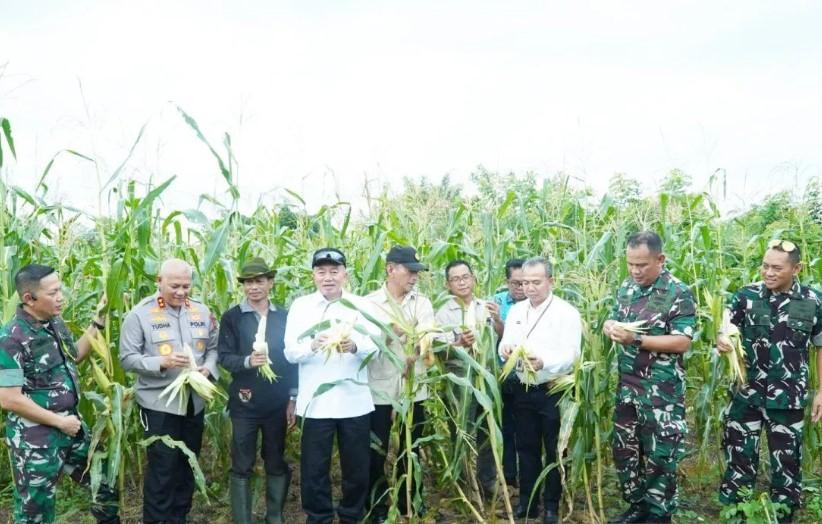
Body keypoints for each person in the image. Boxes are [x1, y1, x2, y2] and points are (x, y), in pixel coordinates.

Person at [0, 264, 120, 524]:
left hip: (72, 427)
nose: (60, 297)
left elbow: (74, 355)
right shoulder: (11, 338)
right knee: (36, 512)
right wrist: (59, 422)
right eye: (53, 293)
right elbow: (8, 398)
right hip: (37, 440)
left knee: (105, 482)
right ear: (29, 299)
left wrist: (97, 321)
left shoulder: (54, 323)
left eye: (60, 290)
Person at [716, 239, 822, 523]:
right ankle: (736, 512)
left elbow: (820, 346)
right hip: (746, 392)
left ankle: (783, 513)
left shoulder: (813, 300)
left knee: (787, 460)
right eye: (765, 266)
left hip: (787, 396)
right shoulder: (745, 296)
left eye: (777, 268)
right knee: (739, 453)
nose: (769, 272)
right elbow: (724, 330)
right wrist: (722, 339)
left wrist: (821, 390)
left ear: (796, 269)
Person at [603, 231, 696, 524]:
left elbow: (682, 341)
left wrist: (635, 340)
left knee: (660, 455)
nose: (635, 271)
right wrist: (611, 327)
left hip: (660, 391)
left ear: (660, 260)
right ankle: (637, 505)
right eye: (630, 264)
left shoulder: (677, 292)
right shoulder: (626, 289)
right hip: (628, 388)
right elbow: (621, 322)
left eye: (642, 265)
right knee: (626, 450)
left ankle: (659, 513)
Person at [119, 258, 220, 524]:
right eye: (175, 285)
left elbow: (213, 348)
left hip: (193, 404)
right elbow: (127, 358)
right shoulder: (140, 315)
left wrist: (208, 369)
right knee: (163, 470)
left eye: (186, 286)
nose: (181, 292)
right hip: (159, 405)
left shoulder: (201, 311)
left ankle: (179, 518)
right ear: (159, 282)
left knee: (188, 467)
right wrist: (160, 363)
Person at [284, 247, 378, 524]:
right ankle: (319, 517)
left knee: (357, 467)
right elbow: (290, 351)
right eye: (321, 271)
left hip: (354, 401)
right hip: (316, 404)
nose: (328, 277)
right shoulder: (301, 307)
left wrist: (355, 345)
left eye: (334, 271)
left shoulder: (361, 306)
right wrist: (313, 344)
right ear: (313, 275)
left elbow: (377, 348)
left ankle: (351, 515)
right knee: (314, 468)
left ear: (345, 275)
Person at [499, 256, 581, 524]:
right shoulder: (516, 311)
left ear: (551, 281)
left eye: (536, 282)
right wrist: (506, 350)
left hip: (553, 390)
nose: (530, 288)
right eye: (525, 283)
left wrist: (544, 361)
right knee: (526, 447)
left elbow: (572, 354)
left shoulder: (566, 312)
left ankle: (550, 506)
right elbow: (505, 344)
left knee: (554, 451)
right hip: (524, 389)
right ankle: (528, 502)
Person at [218, 257, 298, 524]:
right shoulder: (232, 317)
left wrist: (293, 398)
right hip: (245, 403)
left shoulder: (284, 317)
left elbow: (291, 361)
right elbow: (224, 357)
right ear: (243, 286)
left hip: (276, 403)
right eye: (249, 282)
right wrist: (247, 361)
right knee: (242, 463)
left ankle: (273, 517)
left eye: (259, 281)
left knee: (275, 460)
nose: (254, 287)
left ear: (270, 283)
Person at [366, 245, 436, 522]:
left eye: (417, 272)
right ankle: (377, 506)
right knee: (376, 450)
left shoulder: (423, 303)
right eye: (410, 271)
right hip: (379, 389)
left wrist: (414, 354)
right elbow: (363, 345)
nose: (414, 277)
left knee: (412, 447)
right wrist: (386, 334)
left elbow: (427, 336)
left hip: (413, 389)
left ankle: (410, 500)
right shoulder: (369, 304)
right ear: (391, 269)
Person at [434, 259, 501, 497]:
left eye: (465, 277)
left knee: (487, 431)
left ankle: (487, 482)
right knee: (461, 431)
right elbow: (436, 349)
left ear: (473, 279)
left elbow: (500, 339)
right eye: (456, 279)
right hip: (459, 379)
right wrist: (458, 343)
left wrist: (499, 320)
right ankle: (464, 482)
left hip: (487, 378)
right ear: (447, 284)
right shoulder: (442, 311)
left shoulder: (486, 307)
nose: (462, 282)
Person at [492, 258, 527, 488]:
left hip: (527, 377)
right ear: (507, 282)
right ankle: (509, 476)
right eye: (516, 283)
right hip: (502, 376)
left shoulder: (535, 305)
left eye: (525, 282)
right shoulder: (496, 302)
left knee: (525, 430)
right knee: (506, 428)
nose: (521, 288)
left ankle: (525, 477)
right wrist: (496, 319)